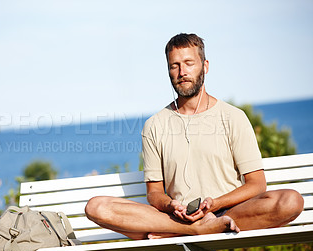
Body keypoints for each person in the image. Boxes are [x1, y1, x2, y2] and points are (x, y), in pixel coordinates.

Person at [85, 33, 304, 240]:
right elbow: (154, 193)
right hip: (178, 217)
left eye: (189, 63)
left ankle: (192, 229)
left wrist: (215, 204)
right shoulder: (154, 125)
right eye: (175, 65)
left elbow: (257, 185)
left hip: (230, 210)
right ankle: (196, 229)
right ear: (168, 70)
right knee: (96, 207)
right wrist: (171, 206)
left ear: (204, 66)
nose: (182, 72)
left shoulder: (233, 117)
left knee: (290, 201)